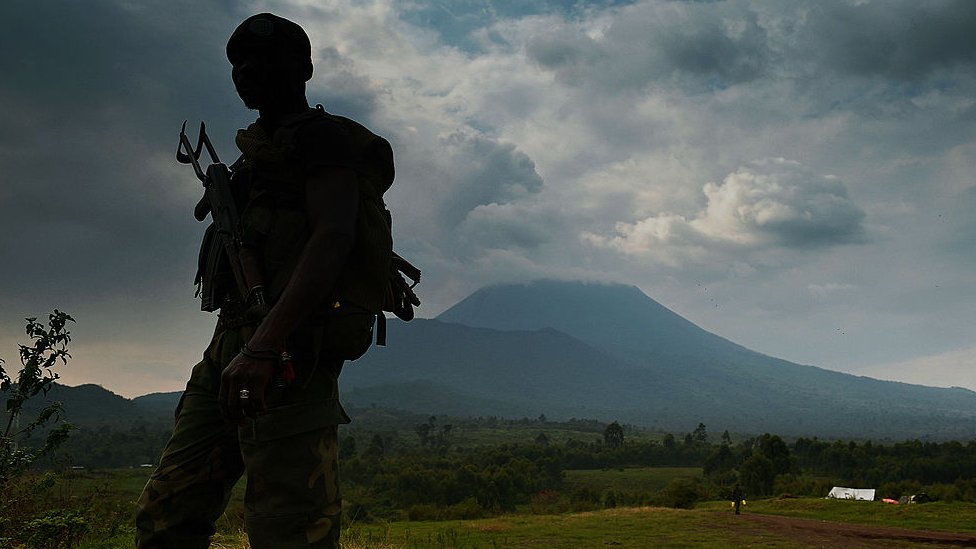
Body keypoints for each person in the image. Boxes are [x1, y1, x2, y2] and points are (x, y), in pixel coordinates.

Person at [136, 13, 394, 548]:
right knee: (167, 513)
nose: (248, 71)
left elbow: (333, 237)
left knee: (290, 532)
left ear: (304, 68)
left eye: (265, 59)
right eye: (239, 63)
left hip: (287, 353)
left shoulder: (323, 140)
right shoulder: (256, 154)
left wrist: (264, 344)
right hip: (232, 349)